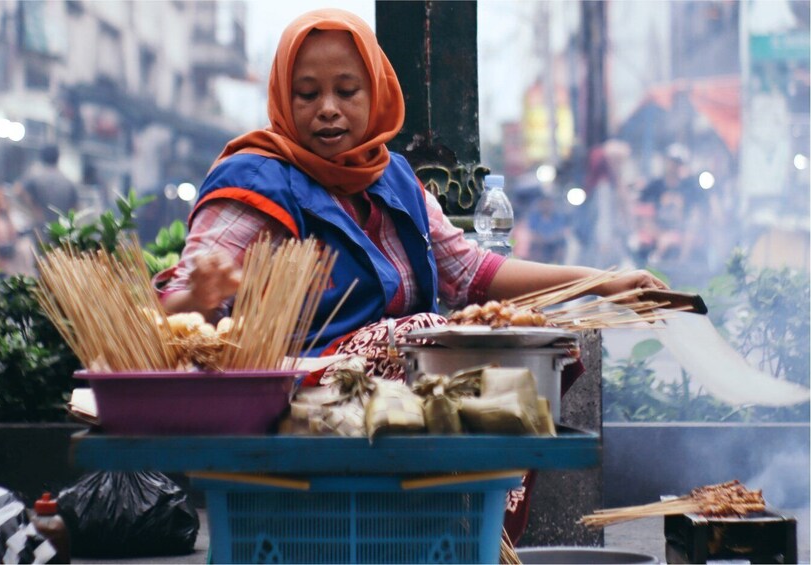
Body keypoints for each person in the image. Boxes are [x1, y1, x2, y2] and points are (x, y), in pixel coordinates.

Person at [157, 8, 667, 541]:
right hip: (292, 401)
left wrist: (603, 282)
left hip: (393, 396)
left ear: (374, 93)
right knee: (407, 337)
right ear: (285, 99)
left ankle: (470, 536)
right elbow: (174, 313)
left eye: (346, 91)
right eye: (307, 94)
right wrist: (195, 296)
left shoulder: (394, 177)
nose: (327, 110)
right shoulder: (254, 181)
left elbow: (470, 270)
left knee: (533, 352)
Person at [17, 144, 79, 238]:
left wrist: (34, 209)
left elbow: (18, 190)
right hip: (61, 230)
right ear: (58, 158)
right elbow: (75, 208)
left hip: (41, 227)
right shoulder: (67, 181)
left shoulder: (35, 176)